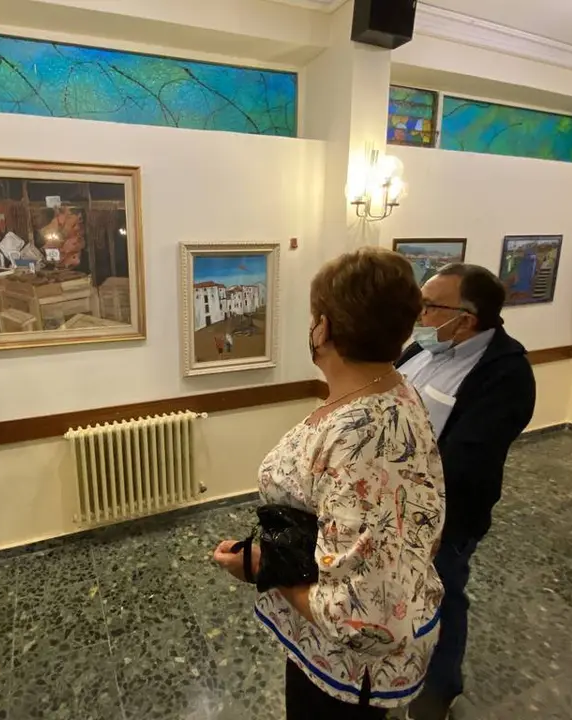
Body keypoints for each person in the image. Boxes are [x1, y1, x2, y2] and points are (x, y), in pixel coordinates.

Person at [213, 247, 446, 719]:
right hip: (335, 632)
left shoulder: (361, 433)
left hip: (348, 675)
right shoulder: (393, 389)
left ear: (323, 328)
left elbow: (363, 618)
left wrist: (262, 568)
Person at [398, 263, 536, 720]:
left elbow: (467, 462)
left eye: (429, 306)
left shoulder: (507, 374)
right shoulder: (421, 347)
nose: (419, 314)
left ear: (466, 319)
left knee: (442, 598)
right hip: (392, 507)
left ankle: (437, 695)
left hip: (445, 518)